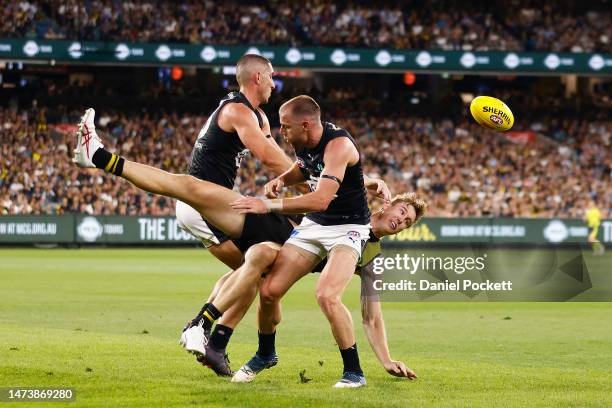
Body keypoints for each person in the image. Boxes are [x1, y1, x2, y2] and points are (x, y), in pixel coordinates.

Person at [71, 107, 423, 382]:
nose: (401, 221)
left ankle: (209, 334)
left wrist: (387, 359)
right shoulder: (353, 191)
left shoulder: (369, 252)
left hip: (279, 234)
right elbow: (330, 181)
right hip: (278, 227)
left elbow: (372, 316)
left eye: (407, 223)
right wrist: (290, 182)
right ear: (389, 203)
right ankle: (208, 331)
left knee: (257, 267)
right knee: (200, 200)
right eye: (402, 212)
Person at [229, 95, 386, 387]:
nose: (281, 133)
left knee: (326, 294)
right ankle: (265, 354)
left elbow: (321, 199)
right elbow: (304, 167)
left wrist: (268, 204)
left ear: (305, 124)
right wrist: (282, 180)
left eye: (285, 128)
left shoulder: (339, 146)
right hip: (315, 225)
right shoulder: (306, 141)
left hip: (349, 228)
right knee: (268, 291)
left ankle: (354, 372)